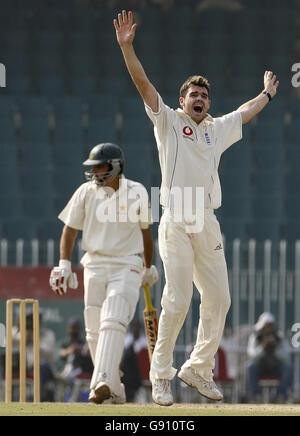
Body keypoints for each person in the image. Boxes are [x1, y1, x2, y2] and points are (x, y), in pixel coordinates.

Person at [114, 10, 279, 405]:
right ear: (182, 100)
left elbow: (245, 112)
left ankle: (198, 369)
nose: (200, 100)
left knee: (220, 299)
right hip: (175, 217)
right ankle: (161, 375)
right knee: (178, 298)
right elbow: (142, 82)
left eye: (205, 96)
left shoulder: (215, 130)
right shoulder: (168, 122)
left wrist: (268, 94)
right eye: (194, 95)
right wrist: (126, 47)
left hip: (206, 219)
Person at [49, 142, 158, 404]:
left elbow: (146, 234)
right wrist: (64, 262)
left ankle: (102, 381)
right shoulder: (85, 192)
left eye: (100, 167)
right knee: (94, 330)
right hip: (94, 265)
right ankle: (115, 387)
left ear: (116, 166)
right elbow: (70, 230)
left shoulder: (138, 192)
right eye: (92, 168)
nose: (95, 172)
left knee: (114, 318)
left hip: (127, 264)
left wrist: (147, 266)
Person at [246, 312, 293, 403]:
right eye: (266, 326)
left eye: (270, 326)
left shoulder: (279, 337)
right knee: (250, 366)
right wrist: (263, 347)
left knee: (288, 367)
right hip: (260, 368)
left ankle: (281, 395)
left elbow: (287, 357)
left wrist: (276, 349)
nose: (268, 329)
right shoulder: (255, 337)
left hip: (276, 368)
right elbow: (252, 356)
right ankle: (256, 396)